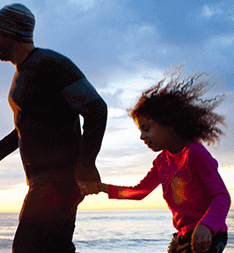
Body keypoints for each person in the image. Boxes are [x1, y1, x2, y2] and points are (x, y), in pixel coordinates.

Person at [0, 3, 108, 252]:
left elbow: (96, 108)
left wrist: (87, 164)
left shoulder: (50, 64)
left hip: (57, 184)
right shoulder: (23, 72)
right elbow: (28, 127)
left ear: (10, 32)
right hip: (44, 184)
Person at [86, 68, 231, 253]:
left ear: (169, 124)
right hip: (182, 236)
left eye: (146, 128)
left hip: (209, 235)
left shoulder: (194, 154)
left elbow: (222, 196)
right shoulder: (161, 162)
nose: (142, 137)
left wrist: (206, 226)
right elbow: (139, 192)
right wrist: (102, 187)